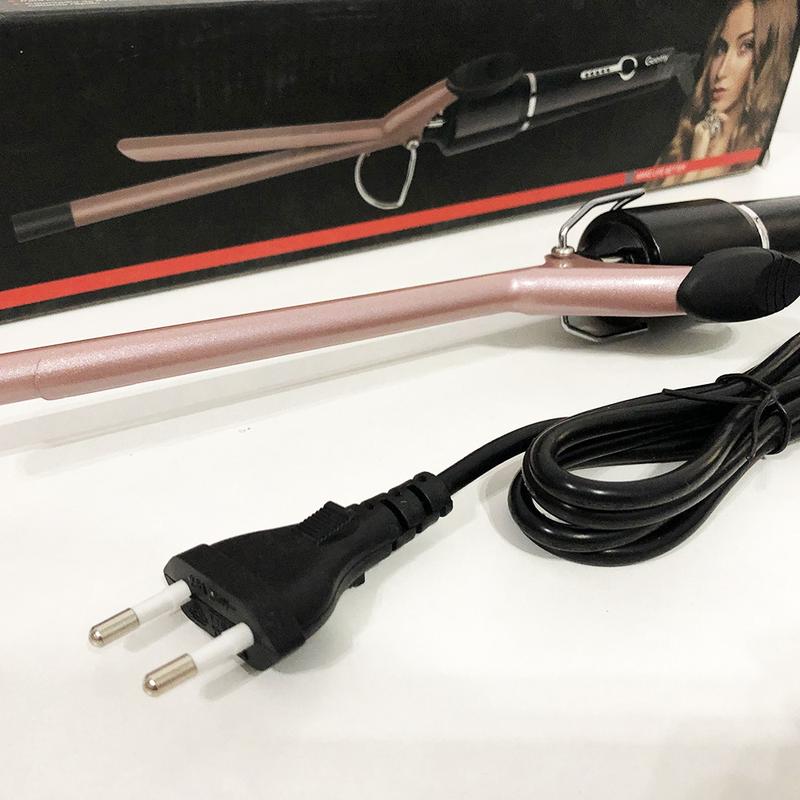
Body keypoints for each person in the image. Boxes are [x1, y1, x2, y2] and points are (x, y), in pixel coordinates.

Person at [656, 0, 797, 185]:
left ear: (767, 57)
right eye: (721, 48)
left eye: (746, 46)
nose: (721, 71)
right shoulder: (682, 147)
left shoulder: (774, 156)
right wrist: (696, 162)